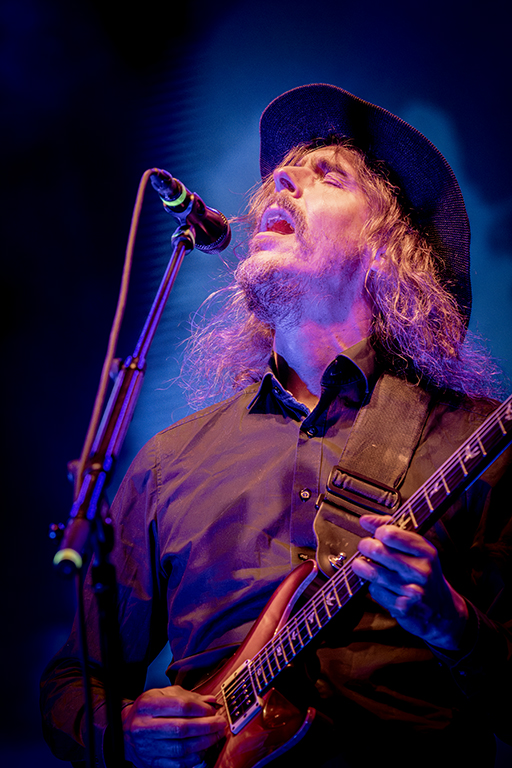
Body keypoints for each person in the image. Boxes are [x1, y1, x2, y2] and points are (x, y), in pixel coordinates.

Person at [41, 84, 512, 768]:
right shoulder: (170, 461)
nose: (283, 181)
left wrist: (455, 626)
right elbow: (73, 679)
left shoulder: (475, 443)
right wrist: (126, 729)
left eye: (328, 175)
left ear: (386, 249)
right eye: (280, 176)